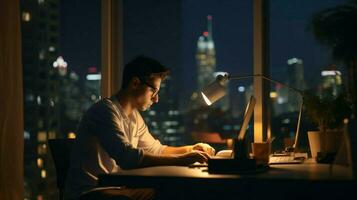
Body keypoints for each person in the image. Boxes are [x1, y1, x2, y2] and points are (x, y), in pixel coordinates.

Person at [64, 56, 215, 200]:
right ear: (135, 83)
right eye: (154, 91)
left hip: (115, 188)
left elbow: (157, 150)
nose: (156, 99)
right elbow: (127, 157)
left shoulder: (134, 116)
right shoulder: (105, 111)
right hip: (90, 193)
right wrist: (182, 160)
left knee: (169, 192)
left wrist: (190, 149)